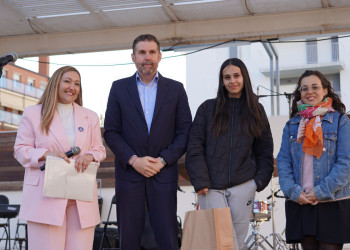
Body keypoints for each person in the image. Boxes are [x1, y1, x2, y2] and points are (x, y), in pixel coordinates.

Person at [103, 34, 192, 250]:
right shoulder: (118, 88)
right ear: (133, 57)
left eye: (152, 52)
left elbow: (185, 131)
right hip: (129, 174)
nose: (147, 57)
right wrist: (134, 160)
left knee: (167, 239)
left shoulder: (176, 89)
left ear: (160, 56)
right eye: (142, 52)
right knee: (128, 241)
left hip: (163, 174)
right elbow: (111, 132)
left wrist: (162, 160)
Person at [14, 66, 106, 250]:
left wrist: (89, 156)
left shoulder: (91, 116)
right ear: (56, 83)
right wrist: (45, 154)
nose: (72, 87)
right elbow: (20, 150)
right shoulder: (33, 113)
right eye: (67, 81)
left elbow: (99, 149)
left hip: (80, 194)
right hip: (45, 194)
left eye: (77, 83)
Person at [185, 58, 274, 249]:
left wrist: (256, 183)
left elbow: (265, 150)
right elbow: (194, 147)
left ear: (244, 77)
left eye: (236, 76)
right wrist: (201, 182)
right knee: (217, 242)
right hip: (211, 188)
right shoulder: (207, 108)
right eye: (227, 77)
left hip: (244, 185)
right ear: (222, 81)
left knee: (236, 243)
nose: (232, 81)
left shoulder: (256, 110)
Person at [277, 70, 350, 250]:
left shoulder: (341, 121)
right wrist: (294, 193)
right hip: (302, 202)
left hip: (332, 202)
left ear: (325, 90)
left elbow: (346, 162)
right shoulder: (292, 125)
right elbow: (283, 162)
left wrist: (320, 191)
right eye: (304, 88)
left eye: (315, 87)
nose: (309, 91)